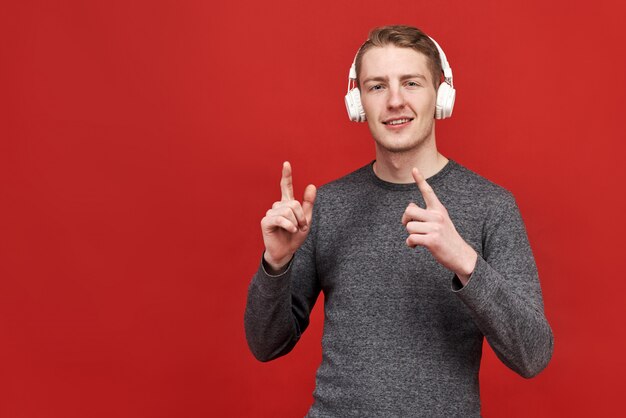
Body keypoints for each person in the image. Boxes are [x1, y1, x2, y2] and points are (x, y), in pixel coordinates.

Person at [244, 25, 553, 417]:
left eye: (411, 83)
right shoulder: (326, 206)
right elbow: (265, 345)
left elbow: (533, 355)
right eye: (376, 86)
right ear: (357, 103)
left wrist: (466, 262)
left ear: (441, 95)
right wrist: (276, 265)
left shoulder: (492, 206)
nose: (394, 100)